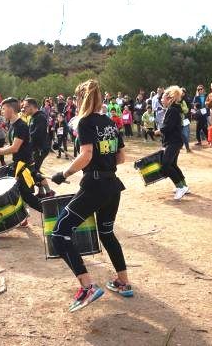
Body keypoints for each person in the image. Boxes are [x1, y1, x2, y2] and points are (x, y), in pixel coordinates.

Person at [50, 79, 132, 312]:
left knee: (59, 234)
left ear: (80, 98)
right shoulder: (110, 123)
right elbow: (121, 158)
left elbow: (86, 155)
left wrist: (63, 173)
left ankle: (87, 287)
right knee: (106, 233)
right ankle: (123, 282)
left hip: (94, 187)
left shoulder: (85, 122)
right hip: (112, 186)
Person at [0, 97, 43, 217]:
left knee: (26, 195)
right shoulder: (13, 125)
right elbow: (11, 145)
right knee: (5, 182)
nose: (2, 111)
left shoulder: (20, 126)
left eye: (3, 108)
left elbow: (14, 148)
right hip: (17, 164)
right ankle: (21, 217)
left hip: (24, 165)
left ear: (11, 109)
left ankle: (50, 211)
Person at [156, 86, 189, 200]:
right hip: (174, 141)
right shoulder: (173, 109)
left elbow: (168, 127)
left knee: (165, 165)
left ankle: (180, 187)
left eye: (163, 98)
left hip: (173, 142)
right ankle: (184, 185)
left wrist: (158, 131)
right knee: (173, 164)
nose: (161, 100)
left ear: (170, 99)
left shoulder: (172, 110)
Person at [24, 97, 54, 197]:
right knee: (34, 169)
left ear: (32, 107)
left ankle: (49, 192)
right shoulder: (33, 117)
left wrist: (25, 140)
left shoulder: (40, 117)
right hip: (35, 148)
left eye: (25, 107)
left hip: (40, 148)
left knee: (34, 170)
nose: (24, 109)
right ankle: (41, 192)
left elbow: (37, 134)